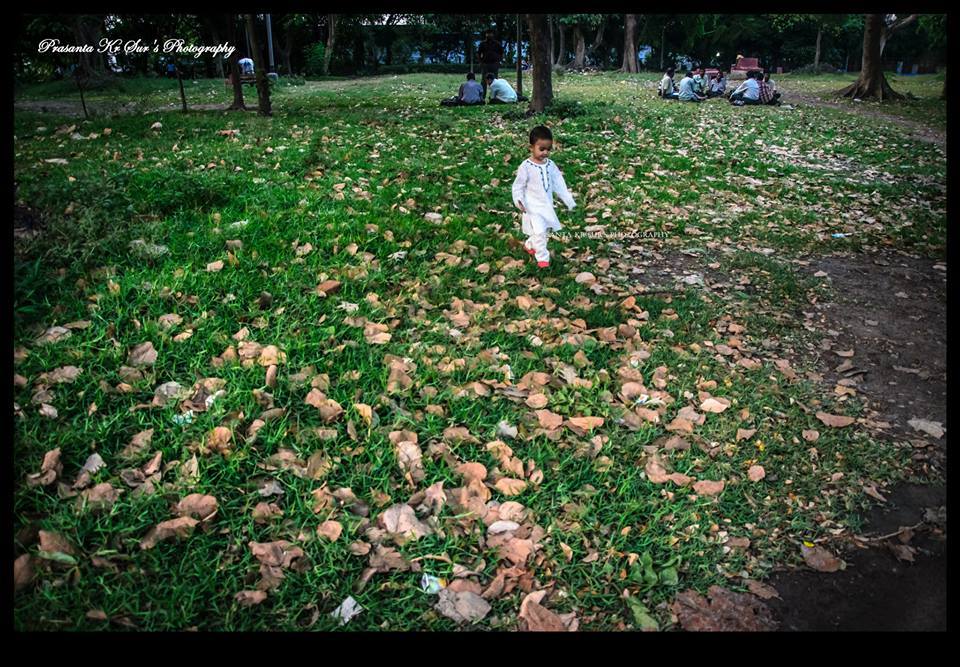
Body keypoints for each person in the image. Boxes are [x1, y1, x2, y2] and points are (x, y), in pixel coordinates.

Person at [511, 125, 576, 268]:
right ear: (531, 147)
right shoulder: (526, 166)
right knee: (540, 232)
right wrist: (519, 200)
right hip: (532, 206)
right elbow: (518, 186)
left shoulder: (550, 165)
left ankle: (529, 244)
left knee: (542, 231)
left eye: (548, 149)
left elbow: (559, 182)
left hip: (546, 205)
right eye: (541, 149)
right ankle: (543, 259)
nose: (545, 152)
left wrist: (567, 199)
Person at [478, 30, 502, 97]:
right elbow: (479, 53)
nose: (489, 35)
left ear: (493, 34)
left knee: (495, 81)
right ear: (485, 34)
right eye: (487, 34)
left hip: (494, 64)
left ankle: (495, 96)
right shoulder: (482, 44)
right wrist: (481, 62)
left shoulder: (497, 44)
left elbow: (501, 53)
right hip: (485, 64)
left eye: (490, 34)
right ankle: (482, 96)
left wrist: (499, 61)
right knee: (483, 81)